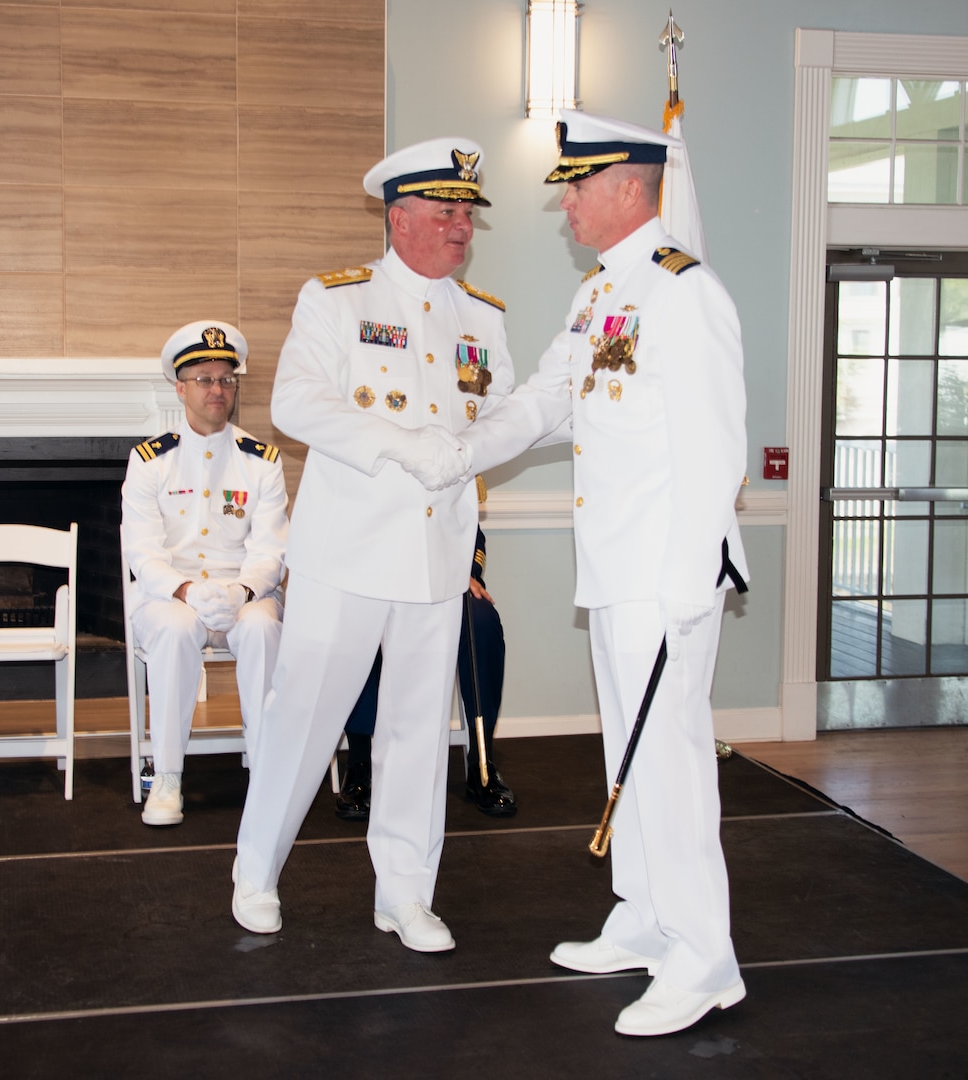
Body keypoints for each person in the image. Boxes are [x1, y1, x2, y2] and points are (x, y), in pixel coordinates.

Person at [458, 111, 750, 1037]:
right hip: (617, 572)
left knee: (671, 767)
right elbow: (548, 399)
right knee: (629, 753)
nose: (566, 202)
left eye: (577, 185)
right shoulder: (600, 297)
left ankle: (704, 960)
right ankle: (644, 919)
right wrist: (456, 448)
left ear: (632, 186)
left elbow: (714, 449)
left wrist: (689, 579)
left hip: (664, 576)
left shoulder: (682, 292)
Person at [230, 138, 512, 952]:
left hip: (435, 556)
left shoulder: (483, 316)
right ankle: (256, 870)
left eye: (468, 214)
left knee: (419, 731)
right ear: (399, 217)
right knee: (305, 721)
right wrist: (400, 443)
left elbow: (494, 426)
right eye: (446, 212)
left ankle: (406, 893)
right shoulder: (337, 300)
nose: (463, 227)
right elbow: (295, 404)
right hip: (346, 554)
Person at [121, 321, 288, 826]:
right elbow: (142, 553)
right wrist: (188, 591)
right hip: (170, 593)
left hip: (245, 592)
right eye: (204, 378)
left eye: (226, 379)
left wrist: (240, 591)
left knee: (262, 627)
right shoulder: (150, 461)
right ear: (180, 387)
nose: (218, 389)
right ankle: (168, 776)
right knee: (174, 629)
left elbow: (272, 552)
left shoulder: (262, 462)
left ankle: (267, 774)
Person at [335, 522, 515, 821]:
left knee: (481, 619)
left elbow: (469, 531)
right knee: (359, 624)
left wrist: (464, 573)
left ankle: (482, 761)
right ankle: (360, 765)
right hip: (378, 581)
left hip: (442, 583)